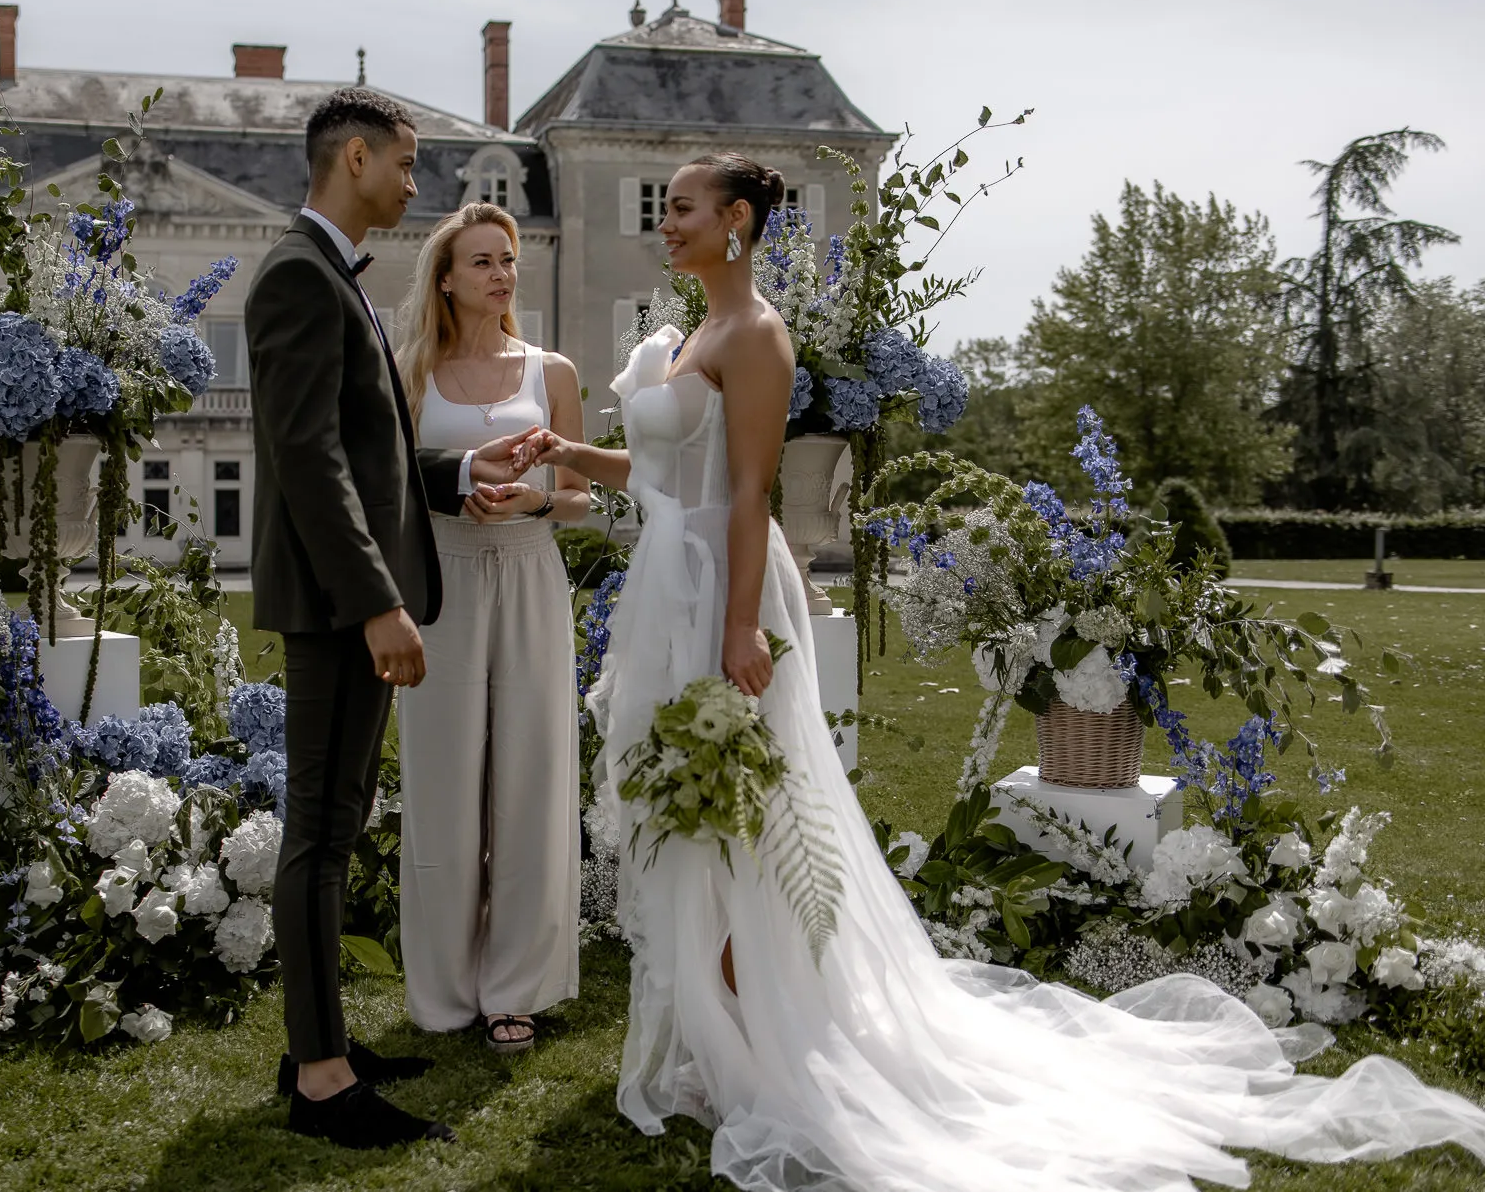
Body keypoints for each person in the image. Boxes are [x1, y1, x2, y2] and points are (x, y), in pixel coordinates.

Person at [527, 152, 1485, 1191]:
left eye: (681, 209)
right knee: (694, 812)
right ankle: (718, 1036)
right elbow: (672, 474)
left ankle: (763, 1040)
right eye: (662, 207)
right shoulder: (693, 336)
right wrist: (571, 456)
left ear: (739, 222)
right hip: (671, 581)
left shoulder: (756, 336)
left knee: (748, 817)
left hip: (726, 590)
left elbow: (752, 489)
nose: (665, 223)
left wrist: (739, 634)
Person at [245, 88, 540, 1150]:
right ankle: (322, 1079)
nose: (417, 185)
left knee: (335, 825)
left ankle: (316, 1045)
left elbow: (364, 458)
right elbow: (310, 466)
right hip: (335, 609)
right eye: (408, 164)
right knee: (319, 833)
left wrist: (464, 469)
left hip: (347, 600)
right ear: (355, 156)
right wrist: (377, 603)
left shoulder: (328, 277)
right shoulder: (296, 277)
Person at [391, 203, 587, 1053]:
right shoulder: (410, 372)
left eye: (507, 259)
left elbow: (583, 493)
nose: (502, 273)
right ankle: (440, 989)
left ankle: (516, 987)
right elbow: (392, 482)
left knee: (531, 775)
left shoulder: (552, 370)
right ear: (445, 277)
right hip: (441, 577)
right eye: (481, 261)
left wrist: (535, 497)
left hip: (530, 569)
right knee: (440, 780)